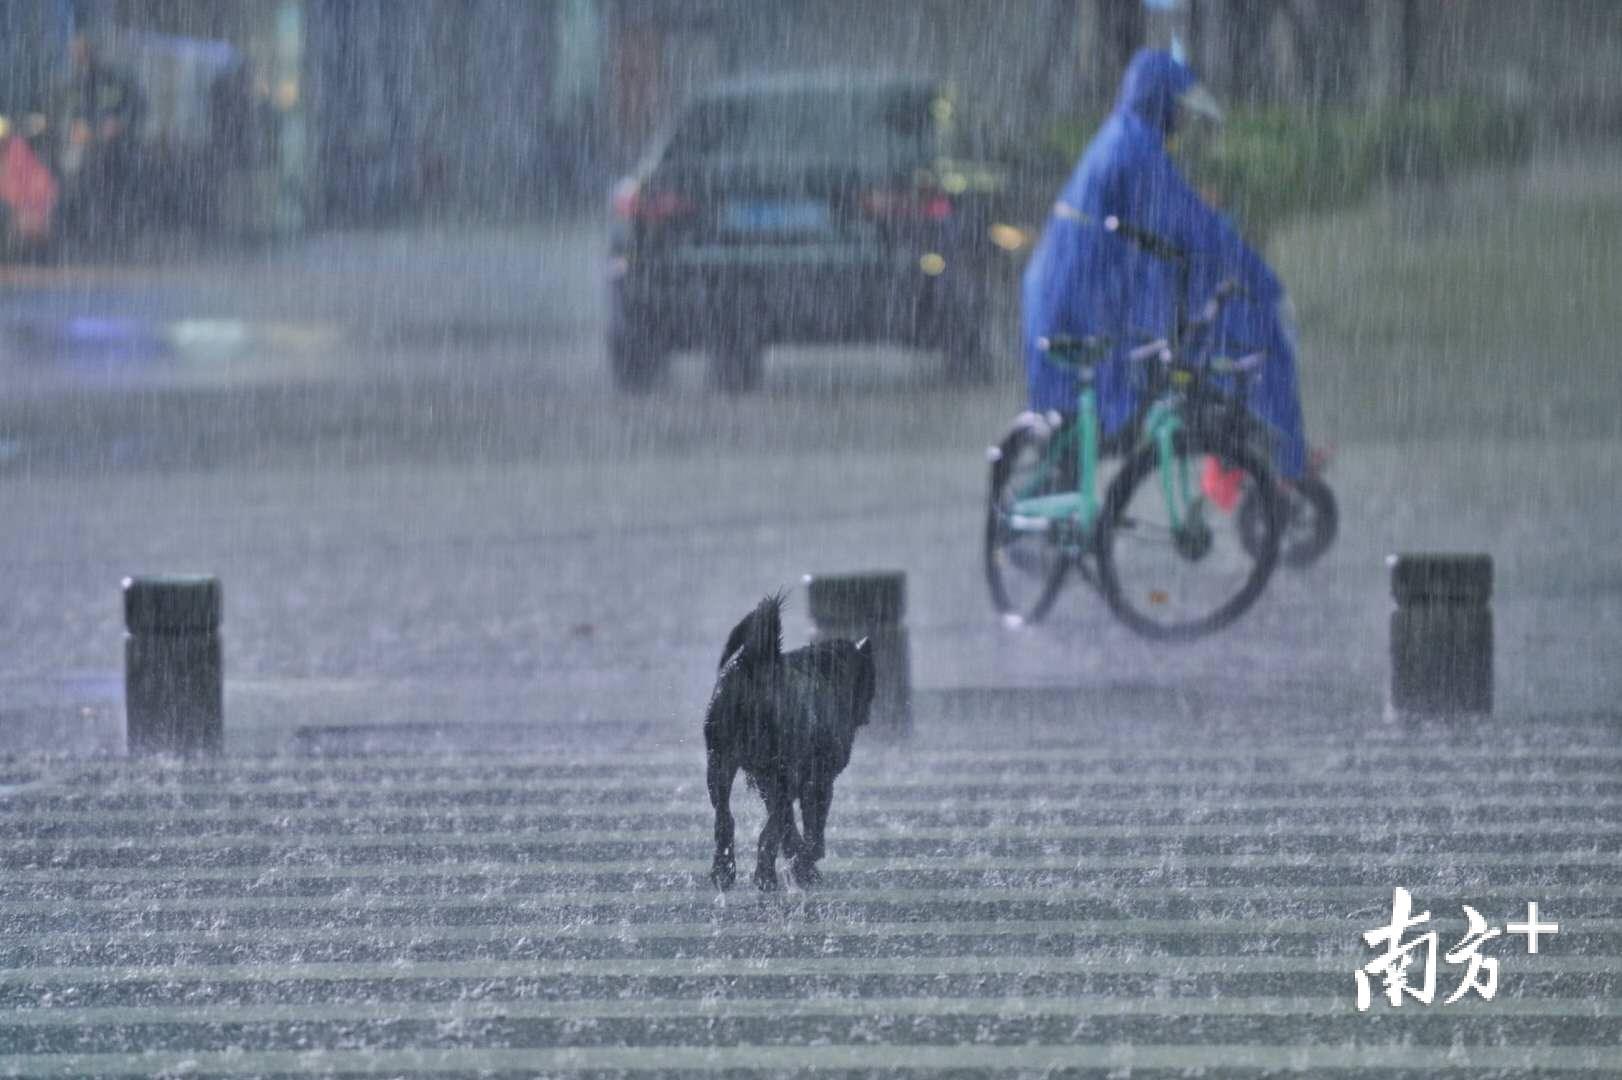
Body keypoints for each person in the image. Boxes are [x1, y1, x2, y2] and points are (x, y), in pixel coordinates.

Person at [1021, 48, 1308, 480]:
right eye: (1179, 109)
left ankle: (1055, 528)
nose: (1183, 120)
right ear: (1162, 103)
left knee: (1079, 424)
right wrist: (1262, 282)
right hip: (1081, 295)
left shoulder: (1125, 137)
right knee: (1105, 411)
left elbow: (1179, 225)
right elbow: (1199, 231)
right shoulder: (1138, 153)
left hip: (1066, 287)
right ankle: (1266, 466)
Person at [48, 31, 147, 240]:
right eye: (75, 52)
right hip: (83, 155)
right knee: (81, 195)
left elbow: (138, 106)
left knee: (115, 199)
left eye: (83, 51)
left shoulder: (116, 78)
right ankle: (85, 238)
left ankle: (116, 239)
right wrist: (71, 129)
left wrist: (120, 123)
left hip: (118, 153)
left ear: (93, 51)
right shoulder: (69, 83)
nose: (79, 56)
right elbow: (58, 115)